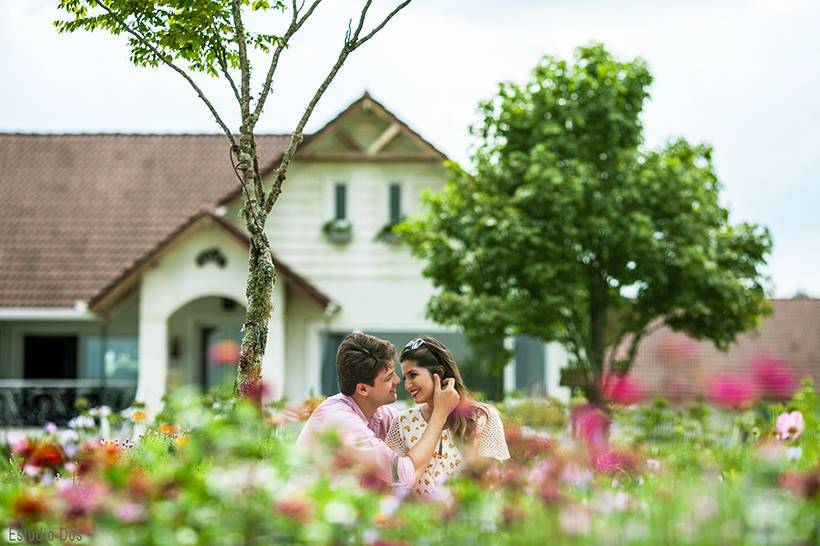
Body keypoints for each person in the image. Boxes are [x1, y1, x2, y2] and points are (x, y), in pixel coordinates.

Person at [293, 332, 460, 489]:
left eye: (395, 373)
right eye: (388, 378)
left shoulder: (381, 413)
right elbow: (406, 476)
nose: (397, 381)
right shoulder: (341, 421)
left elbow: (418, 437)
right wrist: (440, 413)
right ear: (363, 389)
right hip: (309, 513)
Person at [386, 337, 510, 498]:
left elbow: (491, 482)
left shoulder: (483, 417)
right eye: (405, 378)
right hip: (418, 520)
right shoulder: (402, 422)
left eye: (413, 375)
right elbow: (391, 481)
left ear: (439, 373)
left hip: (468, 518)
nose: (407, 385)